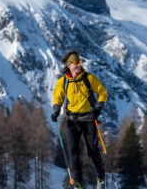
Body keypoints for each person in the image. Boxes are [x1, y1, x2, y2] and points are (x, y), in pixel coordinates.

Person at [51, 50, 108, 189]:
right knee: (73, 152)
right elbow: (58, 97)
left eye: (79, 62)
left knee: (92, 150)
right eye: (76, 63)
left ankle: (101, 178)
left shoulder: (88, 78)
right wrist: (56, 111)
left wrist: (98, 109)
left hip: (89, 119)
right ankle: (77, 183)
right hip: (72, 121)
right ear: (69, 65)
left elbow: (102, 92)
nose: (78, 65)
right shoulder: (64, 81)